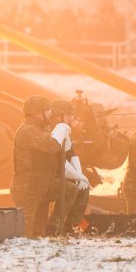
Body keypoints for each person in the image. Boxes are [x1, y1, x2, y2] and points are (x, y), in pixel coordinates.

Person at [10, 95, 71, 237]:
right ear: (37, 113)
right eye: (47, 110)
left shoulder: (40, 129)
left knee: (70, 190)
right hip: (28, 189)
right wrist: (61, 129)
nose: (51, 114)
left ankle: (52, 227)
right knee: (25, 232)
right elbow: (51, 145)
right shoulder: (28, 131)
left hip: (41, 186)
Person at [47, 100, 90, 234]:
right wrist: (79, 176)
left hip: (59, 174)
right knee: (71, 189)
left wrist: (80, 176)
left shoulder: (64, 130)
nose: (71, 119)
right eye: (69, 115)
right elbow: (60, 161)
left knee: (83, 187)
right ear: (59, 116)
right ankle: (54, 226)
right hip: (48, 176)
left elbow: (71, 154)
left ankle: (72, 226)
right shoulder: (52, 132)